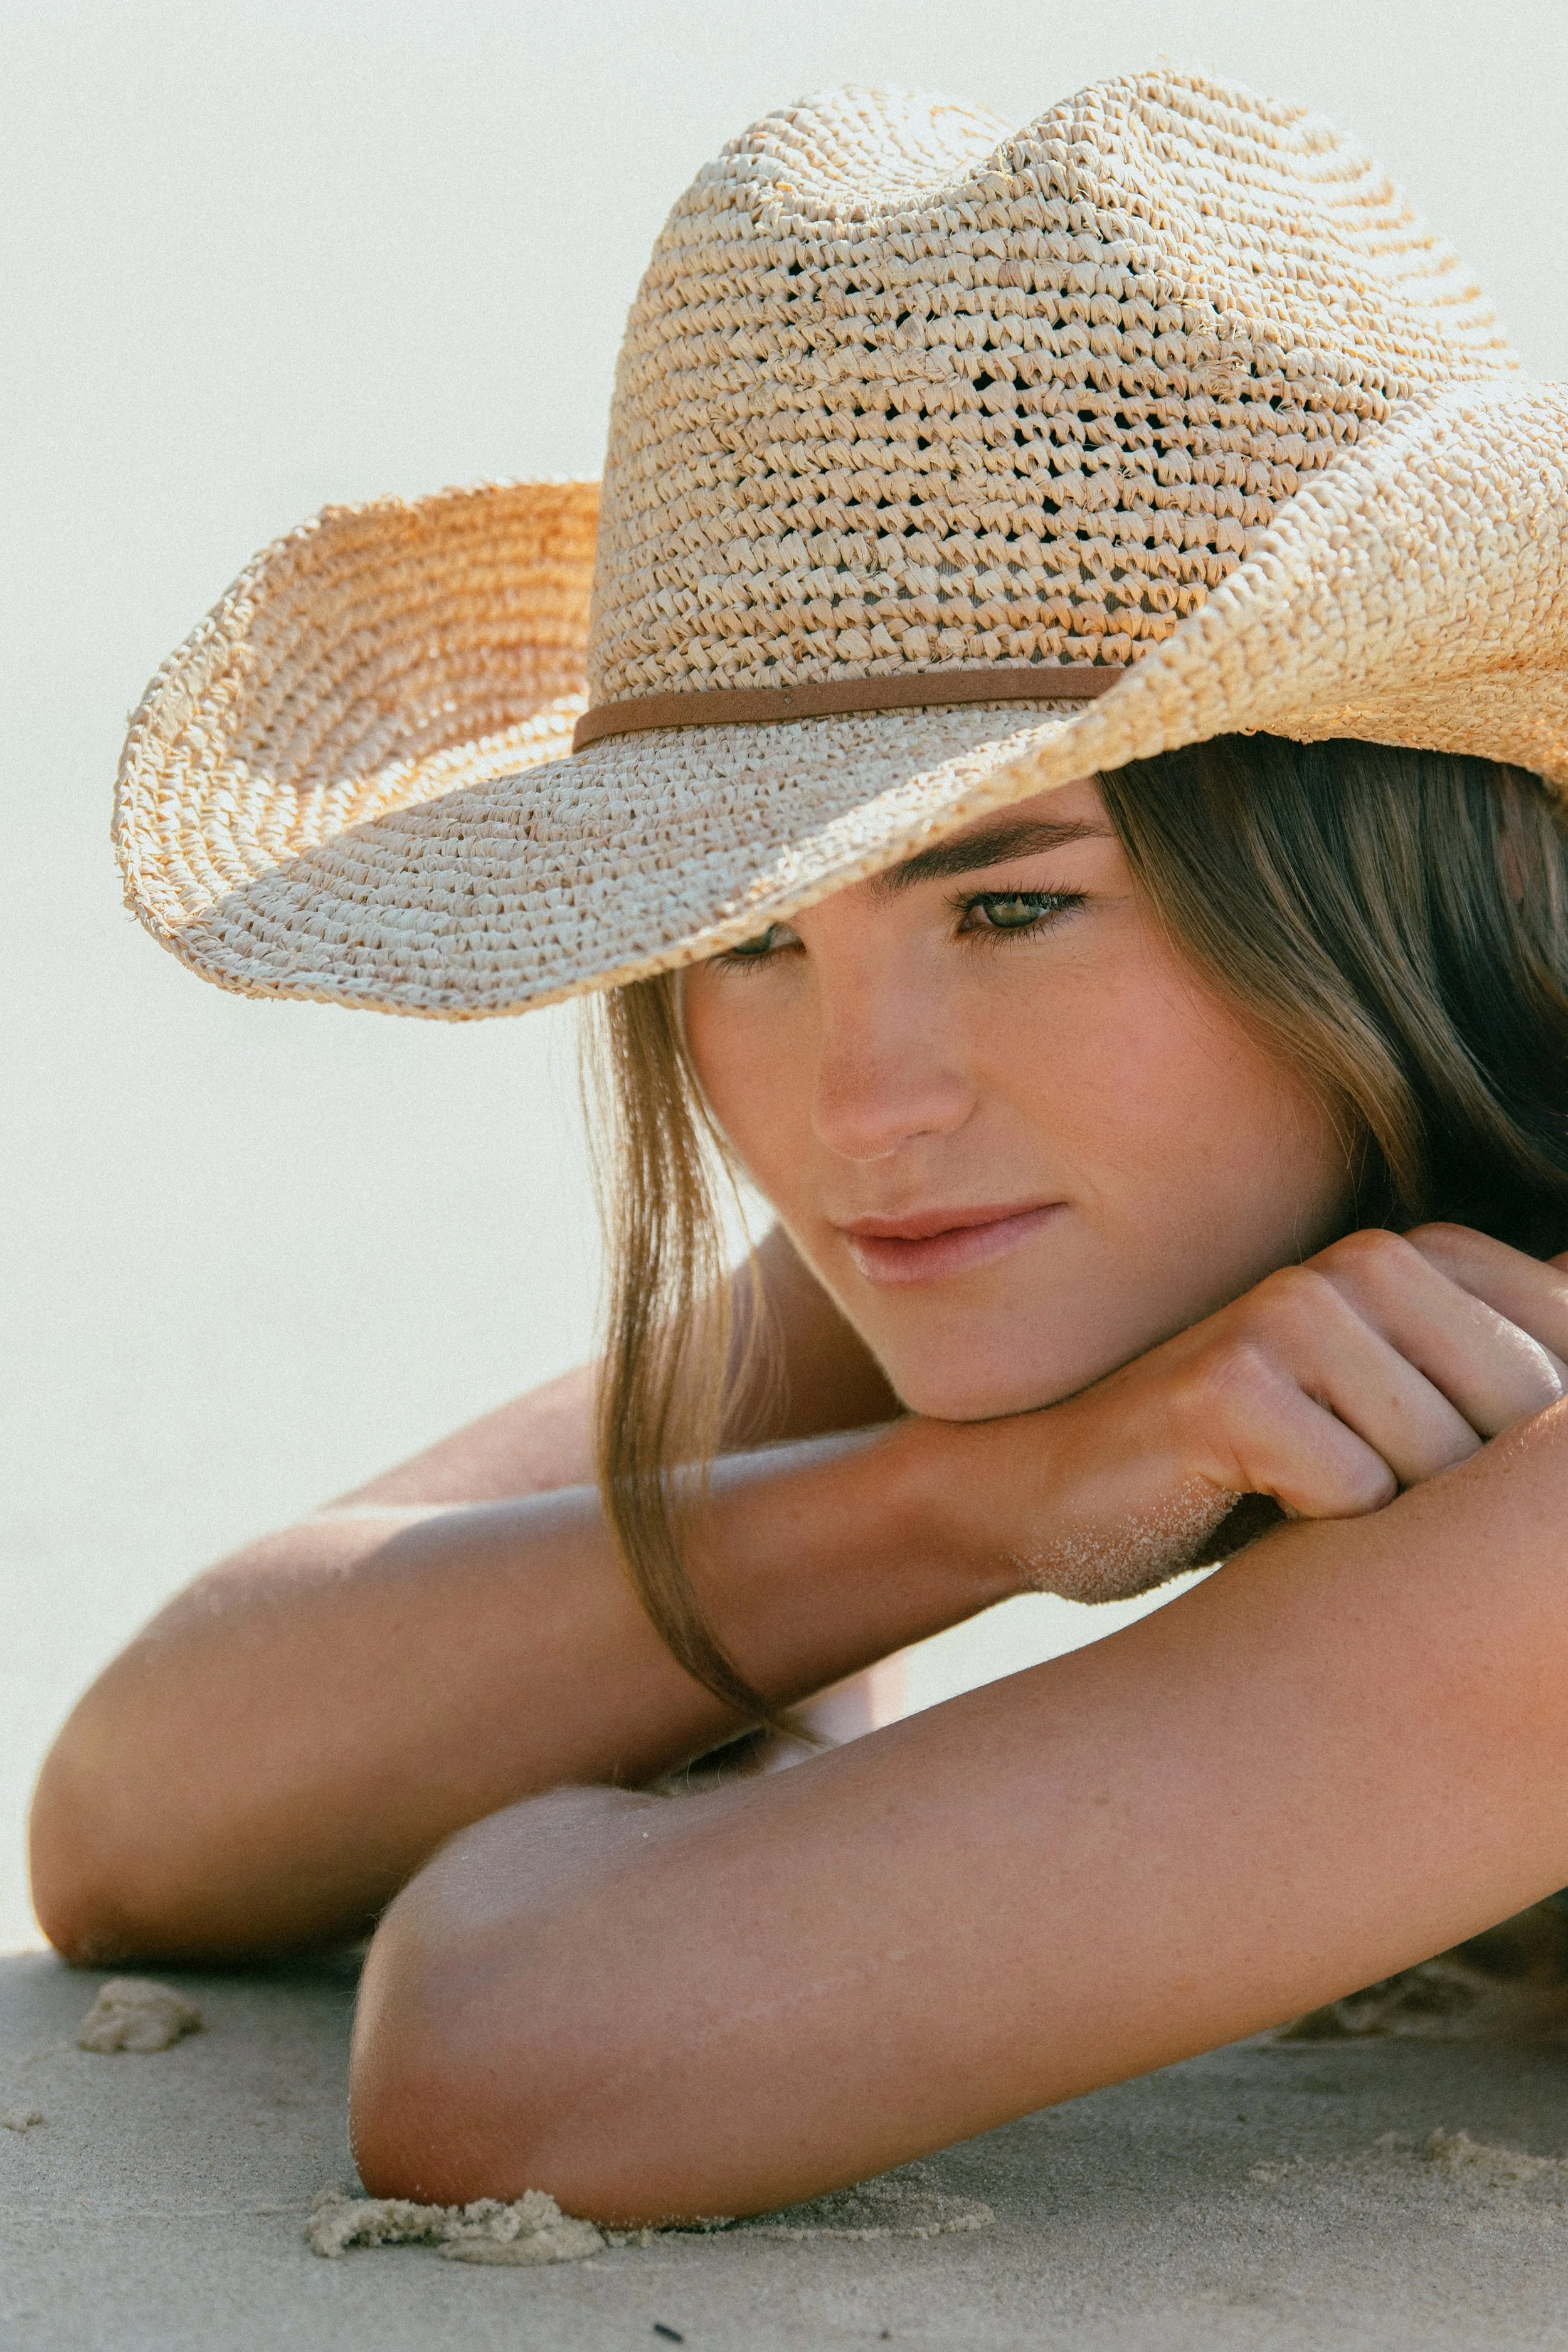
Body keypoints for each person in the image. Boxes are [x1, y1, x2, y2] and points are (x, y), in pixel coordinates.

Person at [30, 69, 1568, 2224]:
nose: (860, 1100)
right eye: (744, 933)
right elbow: (141, 1811)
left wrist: (740, 1698)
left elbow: (519, 2052)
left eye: (1012, 902)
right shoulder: (1106, 1228)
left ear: (1399, 872)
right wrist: (988, 1494)